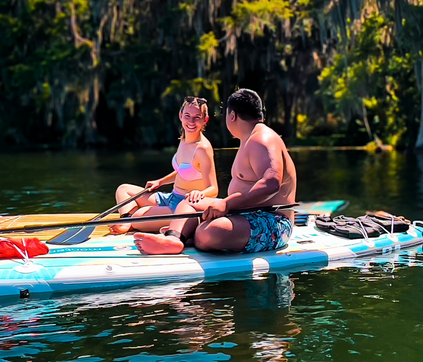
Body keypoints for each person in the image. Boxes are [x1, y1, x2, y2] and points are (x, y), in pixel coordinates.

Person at [139, 88, 299, 255]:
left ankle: (192, 235)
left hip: (274, 222)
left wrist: (226, 204)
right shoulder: (250, 138)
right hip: (242, 212)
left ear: (232, 116)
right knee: (188, 203)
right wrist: (226, 204)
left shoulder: (262, 139)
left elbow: (271, 183)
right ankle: (174, 239)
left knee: (210, 232)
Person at [107, 95, 219, 235]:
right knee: (123, 190)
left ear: (205, 120)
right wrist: (160, 181)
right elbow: (184, 171)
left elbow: (214, 189)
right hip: (170, 197)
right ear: (180, 115)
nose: (191, 121)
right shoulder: (184, 139)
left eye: (197, 117)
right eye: (187, 115)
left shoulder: (202, 149)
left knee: (138, 215)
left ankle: (129, 222)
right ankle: (127, 220)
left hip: (182, 206)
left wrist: (200, 193)